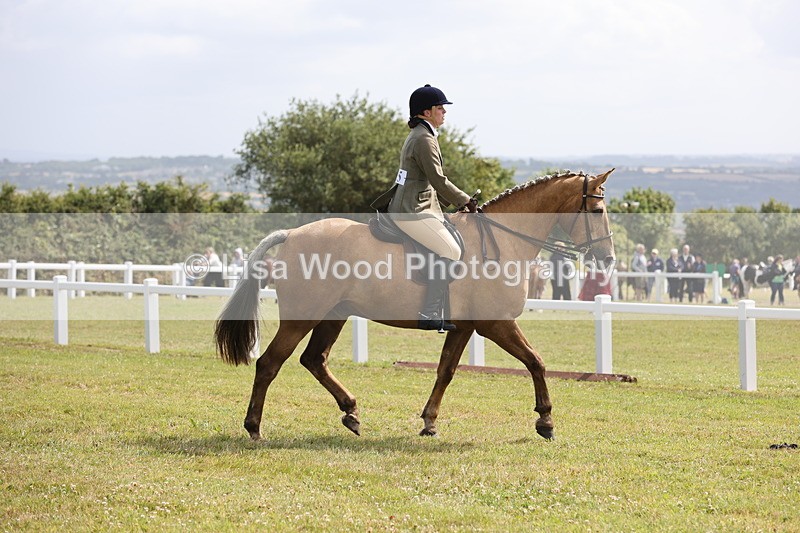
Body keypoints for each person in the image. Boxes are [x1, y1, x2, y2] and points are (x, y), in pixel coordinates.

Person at [370, 84, 477, 331]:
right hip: (412, 211)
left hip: (419, 206)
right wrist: (465, 200)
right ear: (426, 112)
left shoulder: (422, 135)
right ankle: (428, 312)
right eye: (440, 108)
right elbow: (438, 180)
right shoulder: (423, 139)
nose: (444, 113)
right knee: (450, 251)